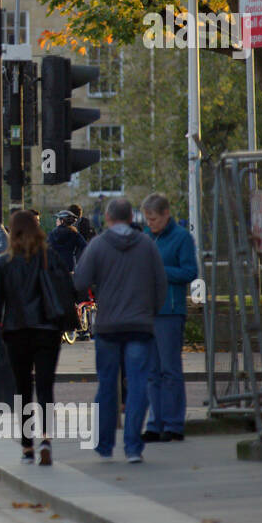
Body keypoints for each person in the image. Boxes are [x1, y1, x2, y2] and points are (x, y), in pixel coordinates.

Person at [73, 198, 167, 463]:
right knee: (138, 384)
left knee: (106, 385)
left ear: (108, 217)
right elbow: (161, 285)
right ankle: (133, 446)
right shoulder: (147, 246)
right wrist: (150, 312)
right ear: (131, 217)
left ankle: (104, 445)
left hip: (108, 325)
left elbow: (80, 280)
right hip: (139, 325)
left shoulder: (98, 245)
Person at [0, 210, 73, 465]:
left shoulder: (3, 263)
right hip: (47, 330)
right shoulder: (50, 256)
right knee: (45, 386)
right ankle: (46, 438)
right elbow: (66, 290)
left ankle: (26, 446)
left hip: (16, 331)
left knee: (22, 389)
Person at [141, 193, 198, 443]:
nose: (150, 223)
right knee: (152, 371)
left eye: (153, 219)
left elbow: (189, 271)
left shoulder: (181, 237)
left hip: (170, 311)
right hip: (148, 311)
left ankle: (174, 423)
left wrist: (159, 271)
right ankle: (155, 422)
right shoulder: (146, 237)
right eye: (147, 219)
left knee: (170, 370)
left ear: (166, 215)